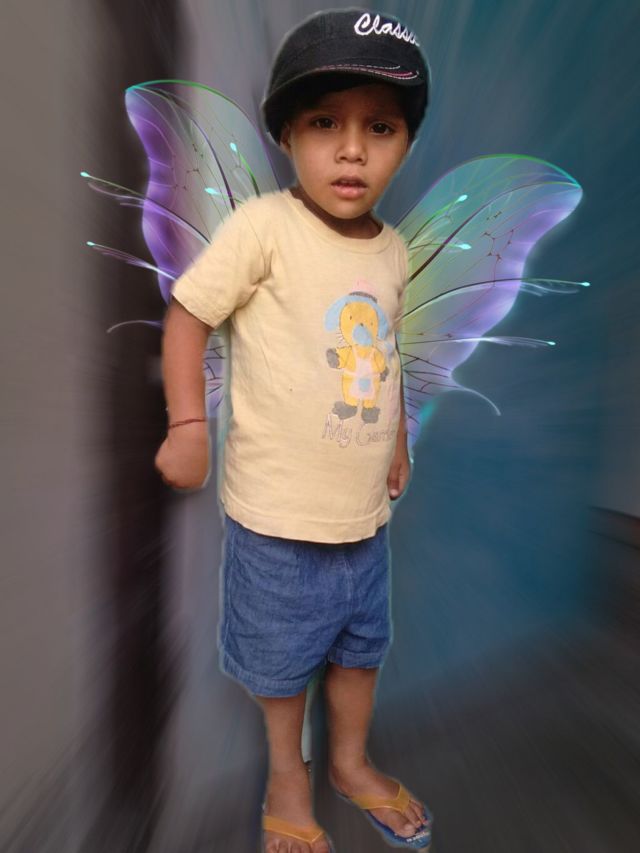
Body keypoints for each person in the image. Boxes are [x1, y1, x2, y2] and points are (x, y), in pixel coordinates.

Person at [155, 8, 433, 851]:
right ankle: (288, 770)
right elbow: (189, 314)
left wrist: (396, 438)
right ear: (285, 135)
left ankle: (348, 760)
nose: (351, 150)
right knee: (281, 666)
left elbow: (382, 354)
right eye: (323, 123)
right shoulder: (264, 229)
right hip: (276, 522)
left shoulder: (393, 251)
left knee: (360, 651)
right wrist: (188, 422)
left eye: (379, 127)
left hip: (363, 522)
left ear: (406, 143)